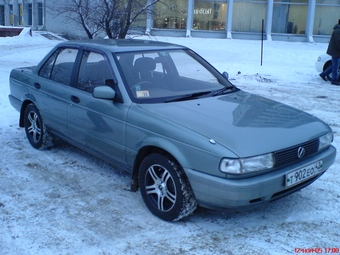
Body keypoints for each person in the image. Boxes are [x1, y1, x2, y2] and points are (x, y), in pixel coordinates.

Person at [320, 19, 340, 85]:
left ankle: (323, 74)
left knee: (335, 65)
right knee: (335, 66)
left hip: (336, 50)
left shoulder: (337, 30)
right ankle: (334, 80)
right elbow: (338, 42)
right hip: (335, 51)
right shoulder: (337, 31)